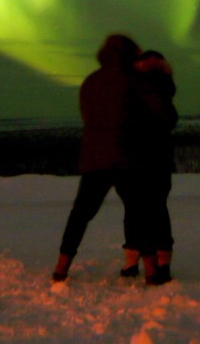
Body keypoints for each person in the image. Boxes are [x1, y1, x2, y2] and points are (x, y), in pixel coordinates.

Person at [51, 33, 141, 283]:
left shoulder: (91, 81)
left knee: (80, 214)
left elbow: (88, 117)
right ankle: (134, 265)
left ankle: (62, 266)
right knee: (136, 210)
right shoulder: (134, 80)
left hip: (95, 157)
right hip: (127, 157)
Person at [122, 49, 179, 285]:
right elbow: (170, 120)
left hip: (136, 158)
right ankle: (161, 261)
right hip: (159, 159)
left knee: (136, 209)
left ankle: (137, 262)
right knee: (157, 208)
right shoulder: (165, 91)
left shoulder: (136, 90)